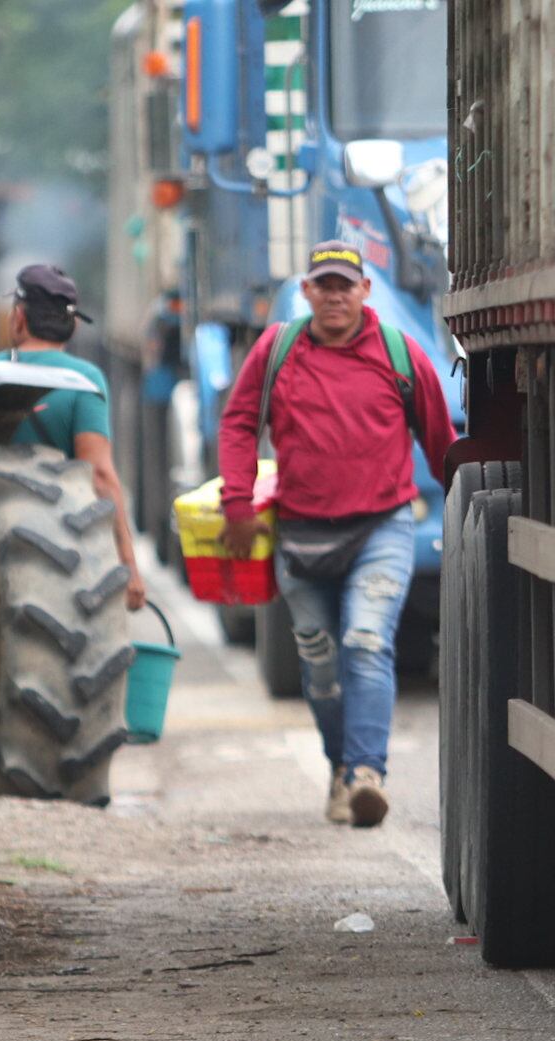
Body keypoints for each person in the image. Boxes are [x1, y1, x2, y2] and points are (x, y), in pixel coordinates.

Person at [219, 241, 454, 827]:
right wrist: (237, 503)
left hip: (382, 528)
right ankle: (341, 769)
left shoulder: (401, 353)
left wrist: (467, 513)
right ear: (306, 292)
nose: (334, 296)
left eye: (345, 286)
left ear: (364, 292)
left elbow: (442, 439)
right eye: (323, 285)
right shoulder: (277, 349)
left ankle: (368, 773)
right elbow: (240, 421)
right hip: (300, 539)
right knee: (321, 665)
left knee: (367, 642)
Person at [0, 263, 147, 611]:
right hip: (64, 554)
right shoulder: (83, 381)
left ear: (18, 318)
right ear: (71, 325)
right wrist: (128, 566)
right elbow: (99, 474)